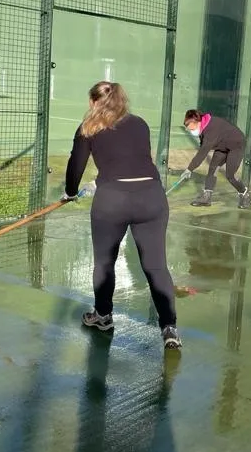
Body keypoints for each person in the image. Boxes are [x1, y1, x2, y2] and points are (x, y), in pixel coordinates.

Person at [63, 81, 182, 350]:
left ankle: (103, 316)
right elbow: (130, 159)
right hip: (151, 197)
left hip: (112, 202)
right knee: (155, 266)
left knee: (104, 263)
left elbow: (76, 164)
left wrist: (71, 192)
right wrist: (102, 179)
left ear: (95, 102)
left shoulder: (88, 127)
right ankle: (170, 328)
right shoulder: (139, 123)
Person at [180, 109, 251, 209]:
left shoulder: (211, 130)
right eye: (190, 130)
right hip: (221, 145)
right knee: (212, 169)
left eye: (192, 129)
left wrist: (189, 169)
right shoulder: (203, 127)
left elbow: (202, 153)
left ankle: (245, 194)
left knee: (231, 176)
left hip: (236, 145)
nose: (192, 132)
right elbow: (203, 146)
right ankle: (206, 197)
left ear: (198, 122)